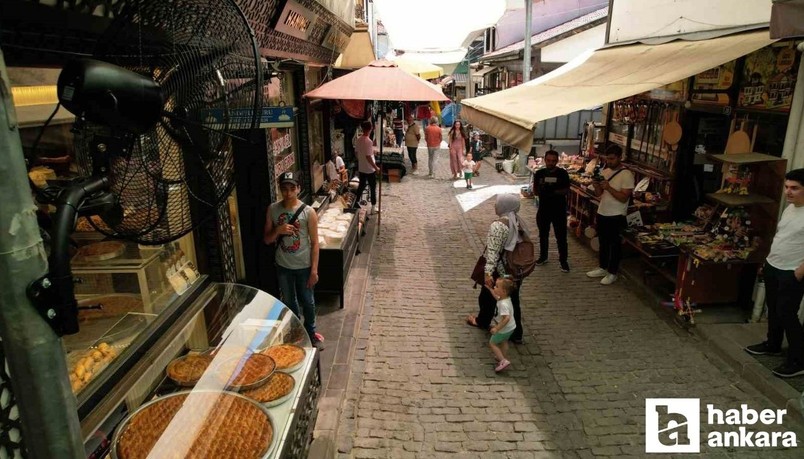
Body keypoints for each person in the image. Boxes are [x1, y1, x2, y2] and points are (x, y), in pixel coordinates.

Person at [744, 168, 804, 378]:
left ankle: (798, 360)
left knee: (787, 314)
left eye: (794, 188)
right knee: (774, 309)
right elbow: (782, 237)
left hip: (792, 271)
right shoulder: (790, 209)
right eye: (786, 187)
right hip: (774, 265)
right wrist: (768, 260)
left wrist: (799, 272)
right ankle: (773, 344)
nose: (788, 192)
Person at [264, 171, 324, 348]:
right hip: (283, 265)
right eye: (284, 189)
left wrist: (314, 270)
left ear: (298, 188)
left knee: (308, 301)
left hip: (304, 265)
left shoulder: (308, 212)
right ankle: (296, 332)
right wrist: (278, 230)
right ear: (280, 189)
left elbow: (315, 243)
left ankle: (310, 332)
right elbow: (267, 239)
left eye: (292, 188)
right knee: (289, 301)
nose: (288, 193)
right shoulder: (273, 209)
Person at [465, 194, 525, 344]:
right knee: (513, 300)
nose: (495, 205)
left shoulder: (498, 226)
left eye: (497, 203)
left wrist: (488, 273)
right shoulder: (517, 222)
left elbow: (493, 252)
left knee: (486, 297)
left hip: (500, 270)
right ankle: (516, 333)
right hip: (514, 269)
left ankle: (482, 321)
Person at [586, 145, 634, 285]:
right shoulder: (605, 171)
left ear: (620, 157)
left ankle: (613, 272)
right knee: (603, 242)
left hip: (617, 215)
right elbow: (599, 194)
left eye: (612, 159)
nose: (609, 161)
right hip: (603, 212)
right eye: (608, 159)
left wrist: (609, 187)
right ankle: (603, 267)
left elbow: (624, 198)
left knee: (615, 245)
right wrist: (596, 185)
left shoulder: (627, 175)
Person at [533, 150, 571, 272]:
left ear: (557, 161)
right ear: (545, 160)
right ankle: (543, 257)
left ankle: (563, 261)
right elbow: (535, 191)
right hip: (544, 209)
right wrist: (542, 189)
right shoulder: (539, 173)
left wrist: (553, 191)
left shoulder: (562, 173)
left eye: (553, 161)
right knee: (543, 235)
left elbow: (566, 190)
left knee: (561, 237)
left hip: (559, 210)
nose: (551, 163)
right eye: (549, 160)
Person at [489, 277, 517, 373]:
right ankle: (502, 356)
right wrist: (490, 289)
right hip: (511, 328)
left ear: (503, 291)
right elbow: (497, 297)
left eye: (497, 286)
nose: (494, 287)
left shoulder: (503, 304)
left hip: (503, 329)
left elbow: (506, 318)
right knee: (504, 341)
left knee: (492, 343)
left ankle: (502, 361)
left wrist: (497, 328)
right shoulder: (505, 299)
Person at [355, 120, 381, 214]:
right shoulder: (369, 141)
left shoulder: (358, 139)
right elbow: (368, 157)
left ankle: (356, 202)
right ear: (370, 129)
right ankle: (373, 207)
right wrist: (376, 167)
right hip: (369, 169)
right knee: (372, 187)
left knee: (361, 186)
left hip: (362, 167)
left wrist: (361, 160)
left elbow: (356, 153)